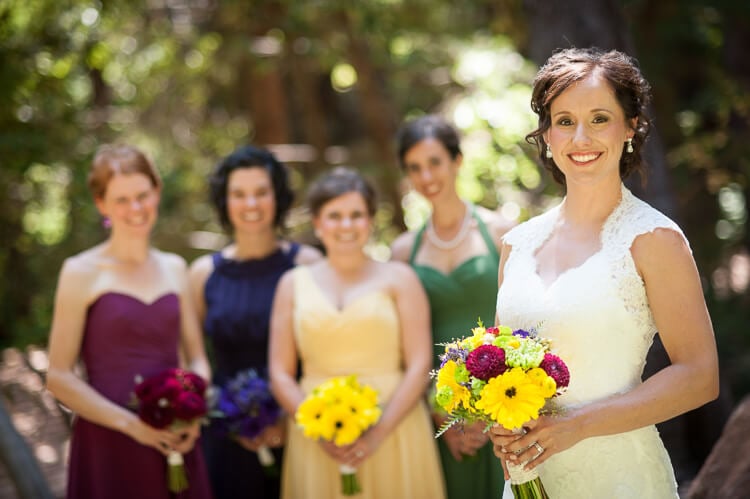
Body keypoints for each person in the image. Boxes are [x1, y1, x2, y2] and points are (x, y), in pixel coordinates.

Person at [488, 47, 720, 498]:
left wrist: (577, 426)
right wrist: (502, 422)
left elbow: (699, 374)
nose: (580, 138)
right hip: (529, 479)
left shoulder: (654, 239)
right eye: (564, 121)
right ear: (547, 135)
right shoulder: (516, 244)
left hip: (619, 479)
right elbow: (503, 371)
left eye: (599, 118)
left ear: (631, 126)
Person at [46, 144, 213, 499]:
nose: (135, 209)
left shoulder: (175, 268)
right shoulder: (80, 272)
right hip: (109, 443)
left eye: (143, 195)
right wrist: (133, 426)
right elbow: (58, 377)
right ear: (102, 204)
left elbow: (196, 359)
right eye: (121, 200)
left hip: (176, 438)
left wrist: (194, 414)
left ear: (157, 193)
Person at [269, 167, 446, 499]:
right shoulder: (292, 284)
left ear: (370, 221)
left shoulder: (400, 278)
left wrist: (377, 434)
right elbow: (280, 373)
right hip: (316, 435)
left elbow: (420, 364)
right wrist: (317, 430)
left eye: (356, 215)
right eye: (334, 216)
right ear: (318, 223)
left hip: (394, 427)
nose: (346, 225)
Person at [390, 115, 513, 498]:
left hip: (504, 404)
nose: (426, 177)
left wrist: (492, 410)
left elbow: (520, 321)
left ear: (457, 161)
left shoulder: (500, 234)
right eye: (414, 168)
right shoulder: (402, 251)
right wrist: (443, 415)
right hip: (439, 415)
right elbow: (402, 346)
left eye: (434, 162)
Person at [189, 145, 321, 499]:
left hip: (301, 428)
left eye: (261, 192)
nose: (251, 204)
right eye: (239, 194)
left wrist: (290, 420)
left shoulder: (307, 264)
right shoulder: (202, 274)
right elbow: (192, 358)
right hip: (225, 436)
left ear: (277, 196)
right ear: (224, 201)